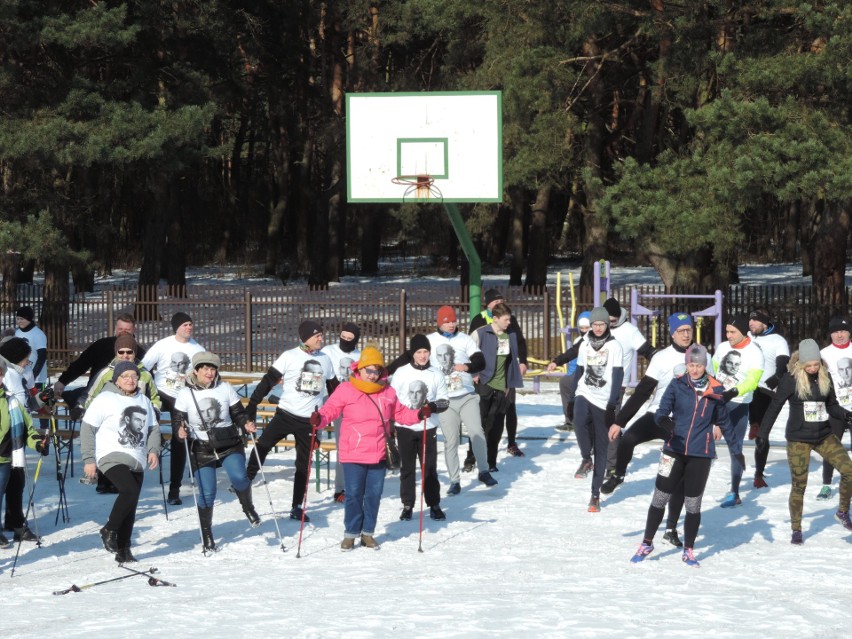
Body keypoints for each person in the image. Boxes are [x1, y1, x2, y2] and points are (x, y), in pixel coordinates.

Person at [602, 313, 706, 547]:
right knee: (628, 438)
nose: (686, 334)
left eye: (688, 330)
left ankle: (671, 528)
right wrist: (620, 420)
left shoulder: (699, 354)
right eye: (681, 331)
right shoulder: (661, 357)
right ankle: (618, 475)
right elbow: (643, 391)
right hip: (658, 414)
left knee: (677, 479)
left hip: (682, 422)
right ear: (672, 333)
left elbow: (710, 389)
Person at [311, 347, 428, 550]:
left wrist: (418, 415)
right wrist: (319, 419)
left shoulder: (387, 392)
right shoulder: (346, 389)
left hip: (378, 452)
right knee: (354, 494)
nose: (372, 375)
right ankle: (350, 534)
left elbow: (400, 414)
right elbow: (330, 410)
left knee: (373, 495)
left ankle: (367, 533)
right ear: (360, 369)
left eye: (376, 371)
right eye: (369, 370)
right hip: (353, 452)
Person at [631, 344, 736, 567]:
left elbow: (724, 420)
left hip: (701, 454)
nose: (694, 369)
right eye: (691, 364)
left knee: (693, 505)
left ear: (705, 365)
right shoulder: (678, 384)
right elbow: (661, 410)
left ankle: (688, 549)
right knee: (659, 498)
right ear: (686, 365)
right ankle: (647, 542)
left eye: (698, 365)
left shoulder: (715, 389)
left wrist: (735, 448)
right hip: (673, 450)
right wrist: (663, 420)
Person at [757, 339, 852, 544]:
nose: (812, 368)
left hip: (824, 435)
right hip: (799, 438)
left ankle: (843, 512)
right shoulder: (791, 380)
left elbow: (832, 405)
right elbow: (775, 406)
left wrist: (846, 415)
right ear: (800, 364)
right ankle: (796, 529)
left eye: (815, 364)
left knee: (849, 470)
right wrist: (762, 434)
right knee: (800, 484)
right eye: (808, 365)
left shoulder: (825, 376)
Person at [245, 320, 335, 521]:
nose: (321, 338)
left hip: (309, 421)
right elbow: (268, 381)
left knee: (303, 464)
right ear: (305, 339)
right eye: (317, 336)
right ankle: (246, 479)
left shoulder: (326, 359)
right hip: (285, 414)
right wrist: (252, 405)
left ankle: (296, 507)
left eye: (321, 334)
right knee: (263, 445)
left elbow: (335, 390)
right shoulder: (289, 356)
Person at [174, 352, 259, 552]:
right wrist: (180, 431)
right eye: (205, 369)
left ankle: (248, 508)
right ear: (195, 370)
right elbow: (178, 421)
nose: (210, 373)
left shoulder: (225, 388)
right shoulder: (185, 394)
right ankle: (207, 534)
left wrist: (246, 423)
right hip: (201, 448)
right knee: (207, 493)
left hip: (228, 442)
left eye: (213, 369)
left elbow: (238, 413)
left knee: (240, 478)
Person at [80, 361, 160, 563]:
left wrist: (153, 450)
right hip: (110, 453)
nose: (130, 380)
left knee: (131, 505)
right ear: (116, 380)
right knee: (129, 490)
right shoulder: (105, 398)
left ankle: (123, 550)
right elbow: (87, 428)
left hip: (137, 456)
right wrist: (89, 459)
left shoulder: (144, 401)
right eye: (125, 376)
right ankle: (109, 529)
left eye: (134, 376)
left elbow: (153, 429)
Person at [78, 335, 161, 494]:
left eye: (129, 352)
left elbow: (155, 397)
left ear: (134, 353)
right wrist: (86, 410)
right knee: (109, 445)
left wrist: (154, 411)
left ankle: (124, 484)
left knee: (129, 447)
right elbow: (91, 394)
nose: (125, 355)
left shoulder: (145, 375)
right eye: (121, 352)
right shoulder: (106, 373)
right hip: (109, 418)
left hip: (135, 419)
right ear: (116, 353)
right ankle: (104, 481)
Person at [141, 312, 205, 505]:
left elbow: (205, 373)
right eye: (185, 324)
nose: (189, 327)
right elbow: (143, 367)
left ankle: (174, 489)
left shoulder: (197, 349)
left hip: (182, 397)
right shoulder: (163, 345)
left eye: (191, 324)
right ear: (176, 327)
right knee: (147, 421)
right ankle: (154, 439)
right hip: (161, 392)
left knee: (180, 437)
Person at [566, 307, 623, 511]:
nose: (598, 328)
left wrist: (612, 404)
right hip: (585, 392)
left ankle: (595, 495)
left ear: (607, 325)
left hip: (603, 400)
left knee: (602, 448)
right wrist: (572, 398)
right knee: (579, 421)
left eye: (601, 324)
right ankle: (585, 458)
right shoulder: (584, 345)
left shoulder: (615, 346)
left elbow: (617, 377)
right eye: (595, 324)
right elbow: (579, 372)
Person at [390, 334, 449, 521]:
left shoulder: (436, 373)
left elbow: (444, 402)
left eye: (426, 352)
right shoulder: (401, 372)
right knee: (407, 468)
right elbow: (392, 400)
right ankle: (407, 504)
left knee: (429, 468)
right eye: (419, 352)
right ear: (412, 354)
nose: (423, 356)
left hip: (427, 427)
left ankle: (434, 504)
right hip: (405, 428)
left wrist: (432, 407)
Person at [712, 314, 764, 508]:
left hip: (739, 402)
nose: (729, 335)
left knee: (736, 448)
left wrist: (731, 393)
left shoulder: (754, 352)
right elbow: (714, 369)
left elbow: (752, 381)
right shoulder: (723, 348)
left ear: (743, 332)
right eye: (727, 331)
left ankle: (734, 492)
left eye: (733, 332)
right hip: (718, 399)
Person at [469, 289, 528, 456]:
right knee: (484, 412)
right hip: (486, 374)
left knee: (509, 408)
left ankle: (511, 442)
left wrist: (522, 361)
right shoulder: (480, 320)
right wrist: (474, 370)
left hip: (506, 371)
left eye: (501, 301)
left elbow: (520, 341)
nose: (499, 304)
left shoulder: (509, 320)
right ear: (488, 304)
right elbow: (471, 346)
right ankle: (477, 449)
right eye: (496, 302)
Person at [602, 297, 656, 475]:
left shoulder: (629, 331)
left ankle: (611, 465)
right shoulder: (598, 329)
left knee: (612, 423)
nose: (610, 323)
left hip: (617, 385)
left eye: (613, 320)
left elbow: (648, 351)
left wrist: (663, 361)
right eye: (607, 320)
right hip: (595, 383)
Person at [0, 356, 49, 549]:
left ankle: (17, 526)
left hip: (10, 456)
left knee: (14, 489)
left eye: (0, 373)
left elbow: (28, 429)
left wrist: (38, 444)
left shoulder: (11, 402)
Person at [54, 313, 144, 409]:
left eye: (127, 330)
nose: (123, 332)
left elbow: (147, 378)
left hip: (126, 400)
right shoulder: (101, 345)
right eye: (120, 329)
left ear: (134, 330)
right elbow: (81, 364)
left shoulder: (140, 353)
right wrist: (63, 381)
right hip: (95, 395)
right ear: (115, 329)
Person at [747, 309, 790, 488]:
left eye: (755, 321)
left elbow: (783, 363)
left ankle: (759, 473)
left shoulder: (778, 340)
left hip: (768, 390)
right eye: (750, 321)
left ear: (765, 323)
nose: (751, 324)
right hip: (747, 387)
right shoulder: (747, 337)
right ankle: (754, 423)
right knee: (751, 392)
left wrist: (777, 377)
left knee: (762, 436)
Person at [322, 322, 362, 503]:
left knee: (347, 444)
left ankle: (346, 486)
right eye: (343, 337)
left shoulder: (359, 356)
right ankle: (339, 488)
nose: (345, 341)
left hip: (350, 404)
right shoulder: (328, 351)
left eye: (349, 339)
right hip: (329, 401)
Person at [817, 316, 852, 500]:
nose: (840, 335)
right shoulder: (824, 354)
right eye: (836, 332)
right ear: (830, 334)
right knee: (831, 447)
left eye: (843, 331)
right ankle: (826, 484)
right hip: (836, 408)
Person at [548, 311, 591, 432]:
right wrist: (557, 362)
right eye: (581, 328)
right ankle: (570, 419)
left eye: (587, 328)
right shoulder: (579, 340)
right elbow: (573, 356)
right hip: (580, 372)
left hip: (592, 373)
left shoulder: (595, 338)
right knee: (566, 382)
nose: (584, 330)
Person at [14, 306, 47, 391]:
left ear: (28, 318)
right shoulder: (16, 333)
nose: (19, 321)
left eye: (21, 319)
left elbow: (42, 357)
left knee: (35, 403)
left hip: (37, 379)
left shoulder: (38, 334)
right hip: (20, 377)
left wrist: (33, 375)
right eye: (17, 319)